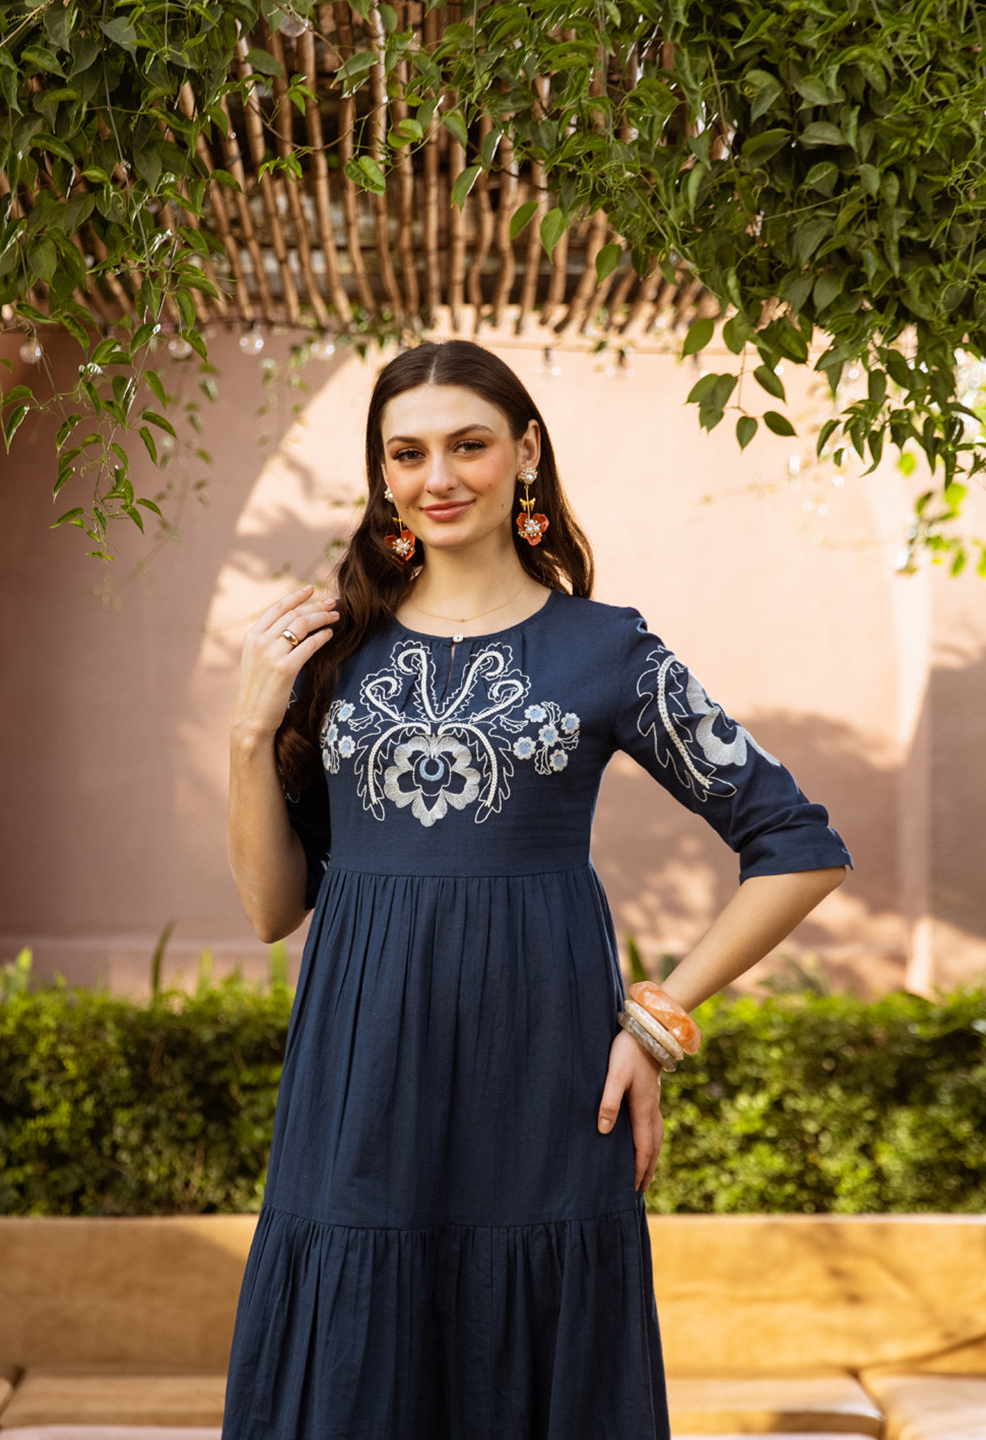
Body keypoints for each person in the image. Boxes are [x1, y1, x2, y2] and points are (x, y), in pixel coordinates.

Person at [222, 339, 851, 1440]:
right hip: (359, 1085)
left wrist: (655, 1022)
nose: (438, 477)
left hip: (546, 1077)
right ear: (382, 478)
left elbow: (798, 845)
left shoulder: (607, 651)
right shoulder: (332, 653)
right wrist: (246, 732)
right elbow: (277, 909)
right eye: (406, 454)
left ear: (525, 453)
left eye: (468, 444)